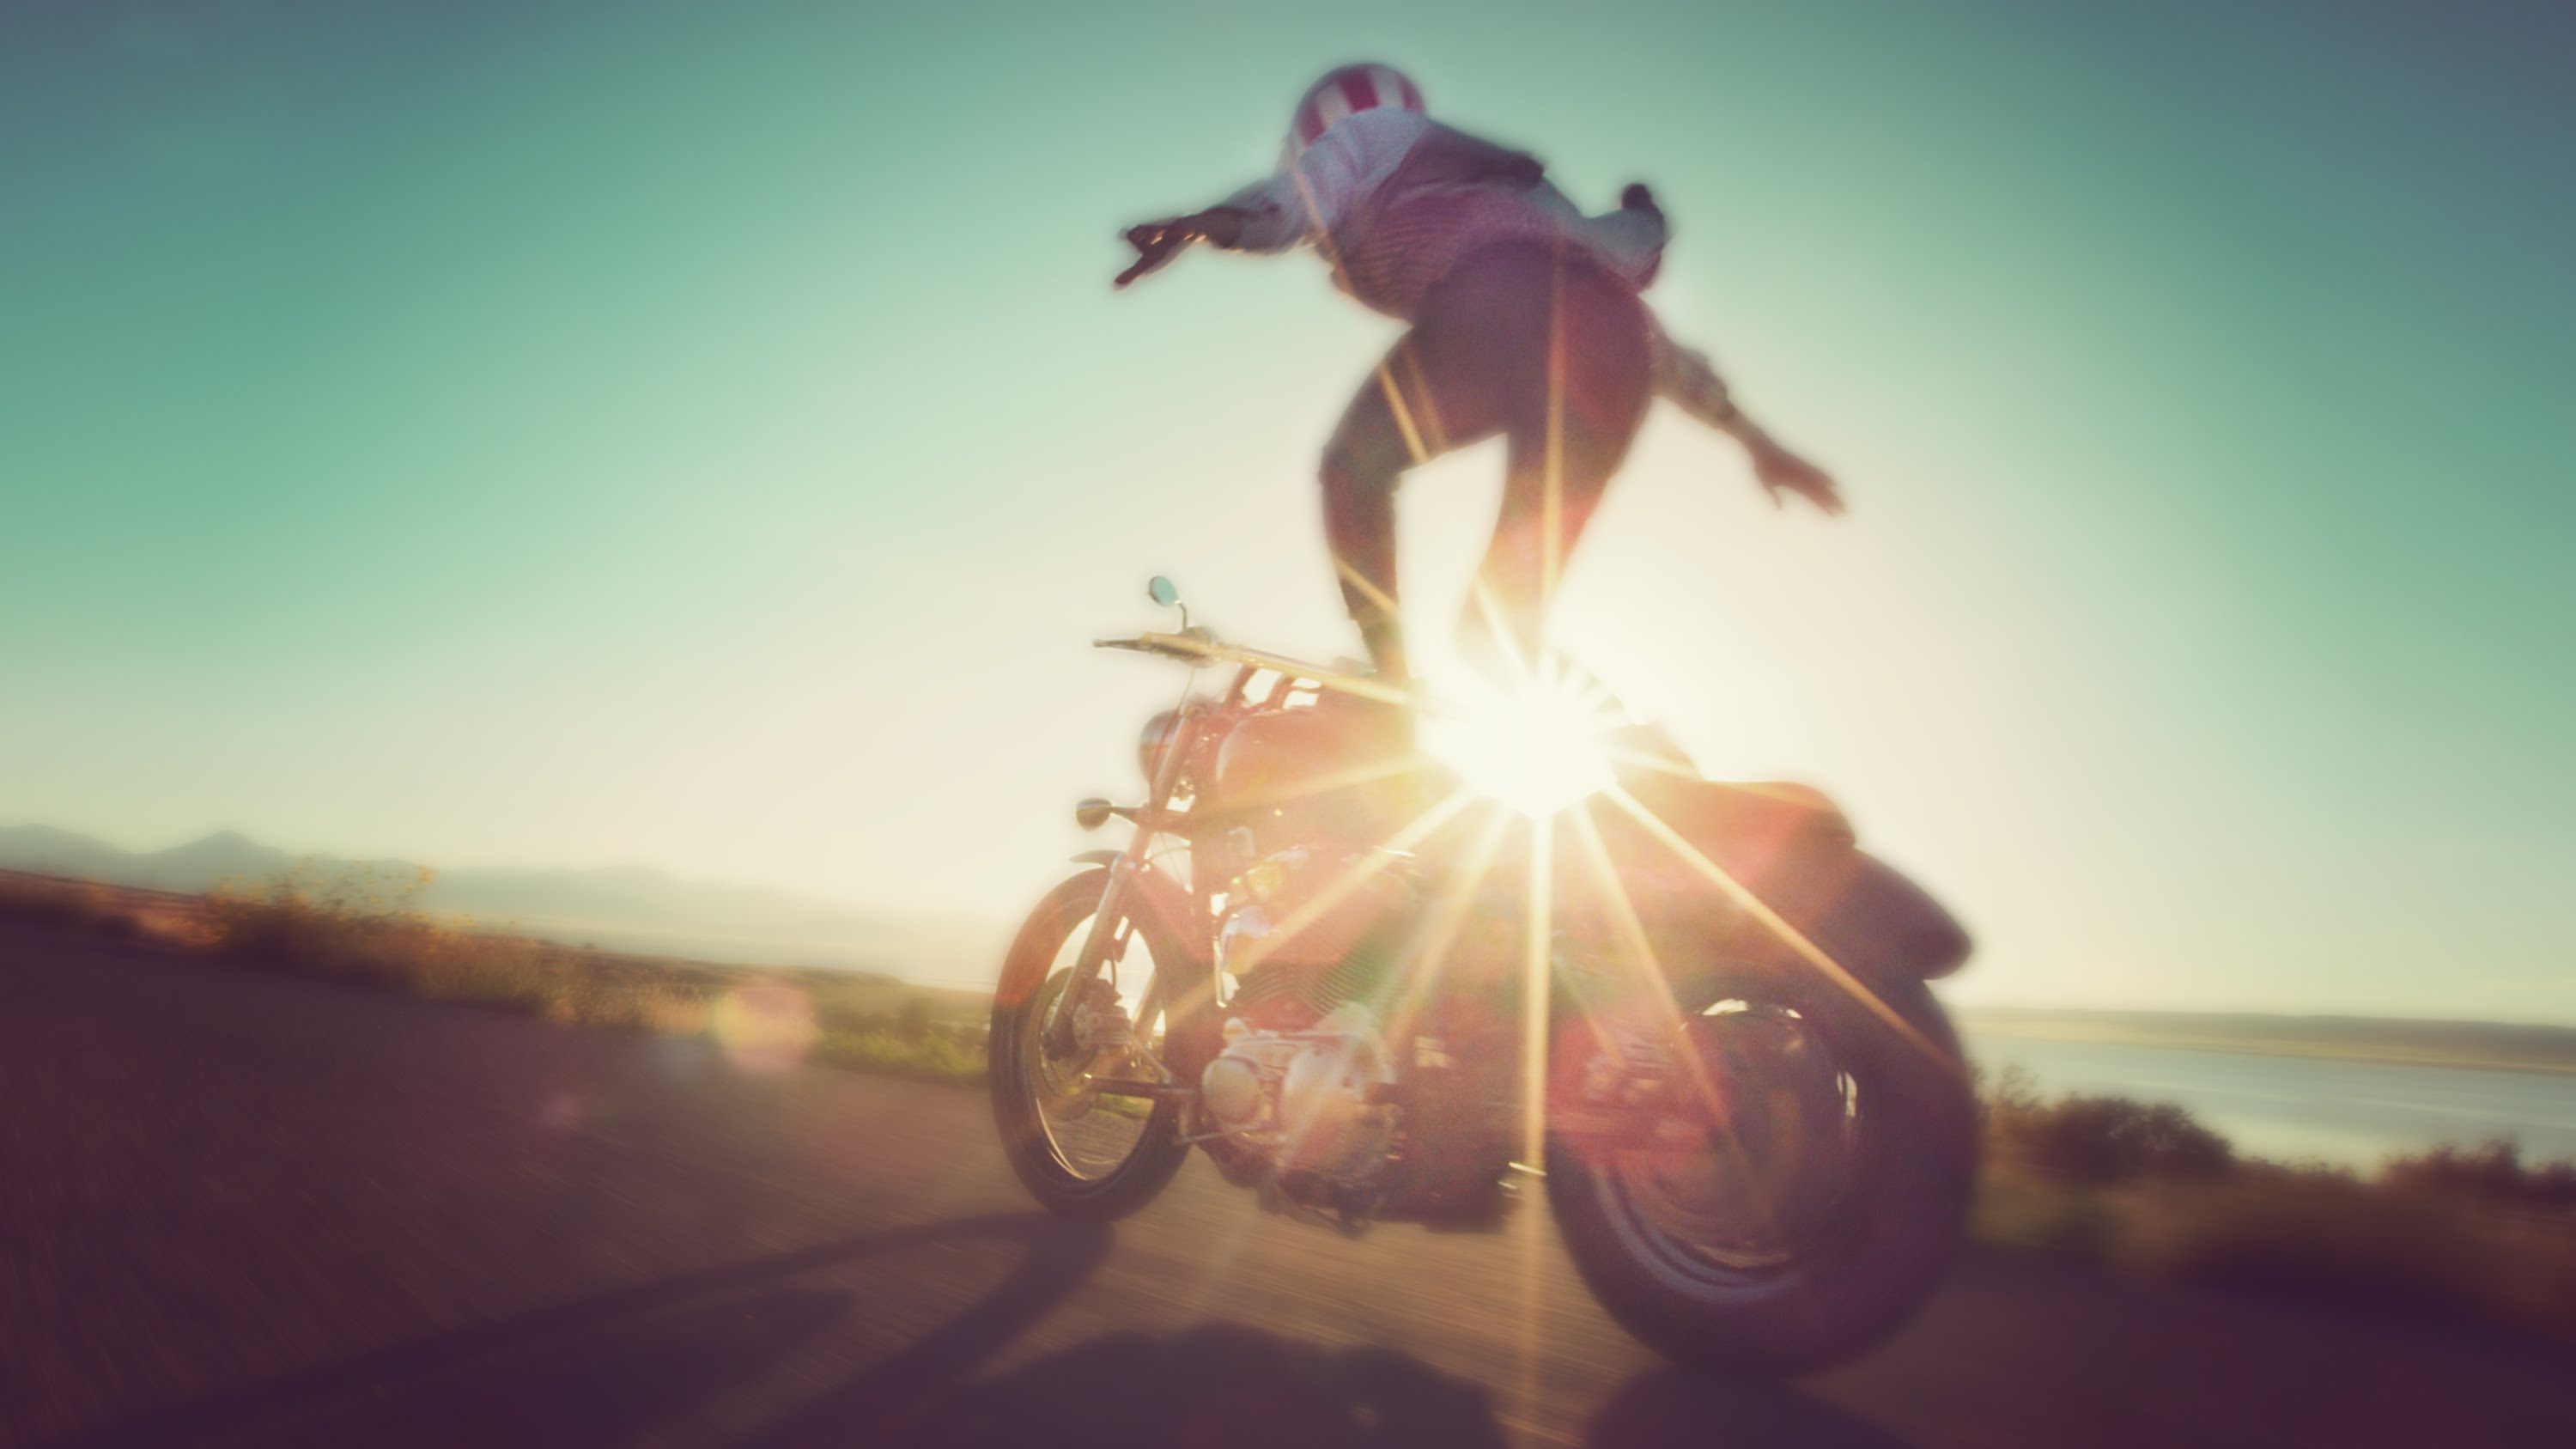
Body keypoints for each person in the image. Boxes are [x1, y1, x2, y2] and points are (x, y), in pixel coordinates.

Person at [1116, 64, 1844, 684]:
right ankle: (1648, 773)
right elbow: (1652, 344)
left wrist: (1208, 223)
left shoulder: (1368, 143)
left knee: (1353, 468)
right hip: (1606, 365)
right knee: (1494, 632)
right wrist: (1756, 440)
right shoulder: (1523, 200)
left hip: (1497, 316)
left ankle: (1390, 670)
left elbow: (1290, 205)